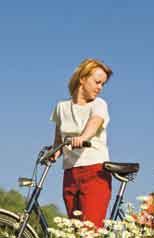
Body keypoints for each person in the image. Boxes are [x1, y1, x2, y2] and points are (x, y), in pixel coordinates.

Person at [50, 58, 113, 227]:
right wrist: (53, 152)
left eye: (103, 84)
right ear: (82, 79)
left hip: (95, 172)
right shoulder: (61, 107)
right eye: (97, 82)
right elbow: (58, 140)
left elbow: (95, 122)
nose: (100, 87)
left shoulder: (99, 105)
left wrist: (83, 137)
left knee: (90, 229)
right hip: (70, 174)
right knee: (74, 230)